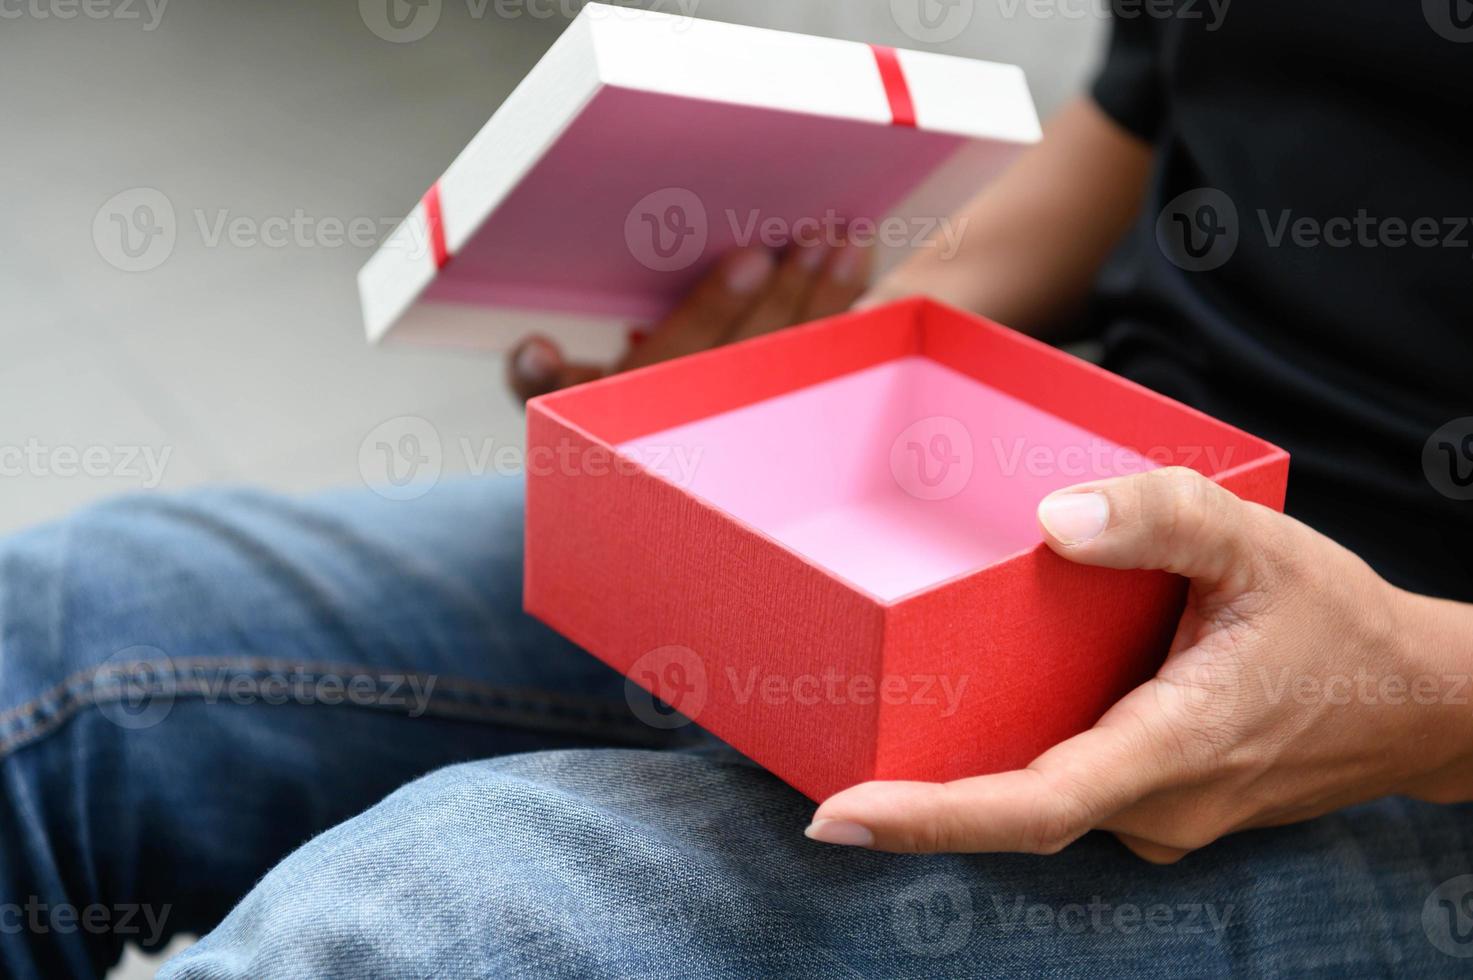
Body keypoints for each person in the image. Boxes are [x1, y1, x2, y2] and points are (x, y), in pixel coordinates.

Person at [3, 4, 1471, 977]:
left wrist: (1411, 686)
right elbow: (1143, 112)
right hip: (1072, 504)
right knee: (73, 629)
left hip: (1420, 710)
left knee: (456, 923)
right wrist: (812, 374)